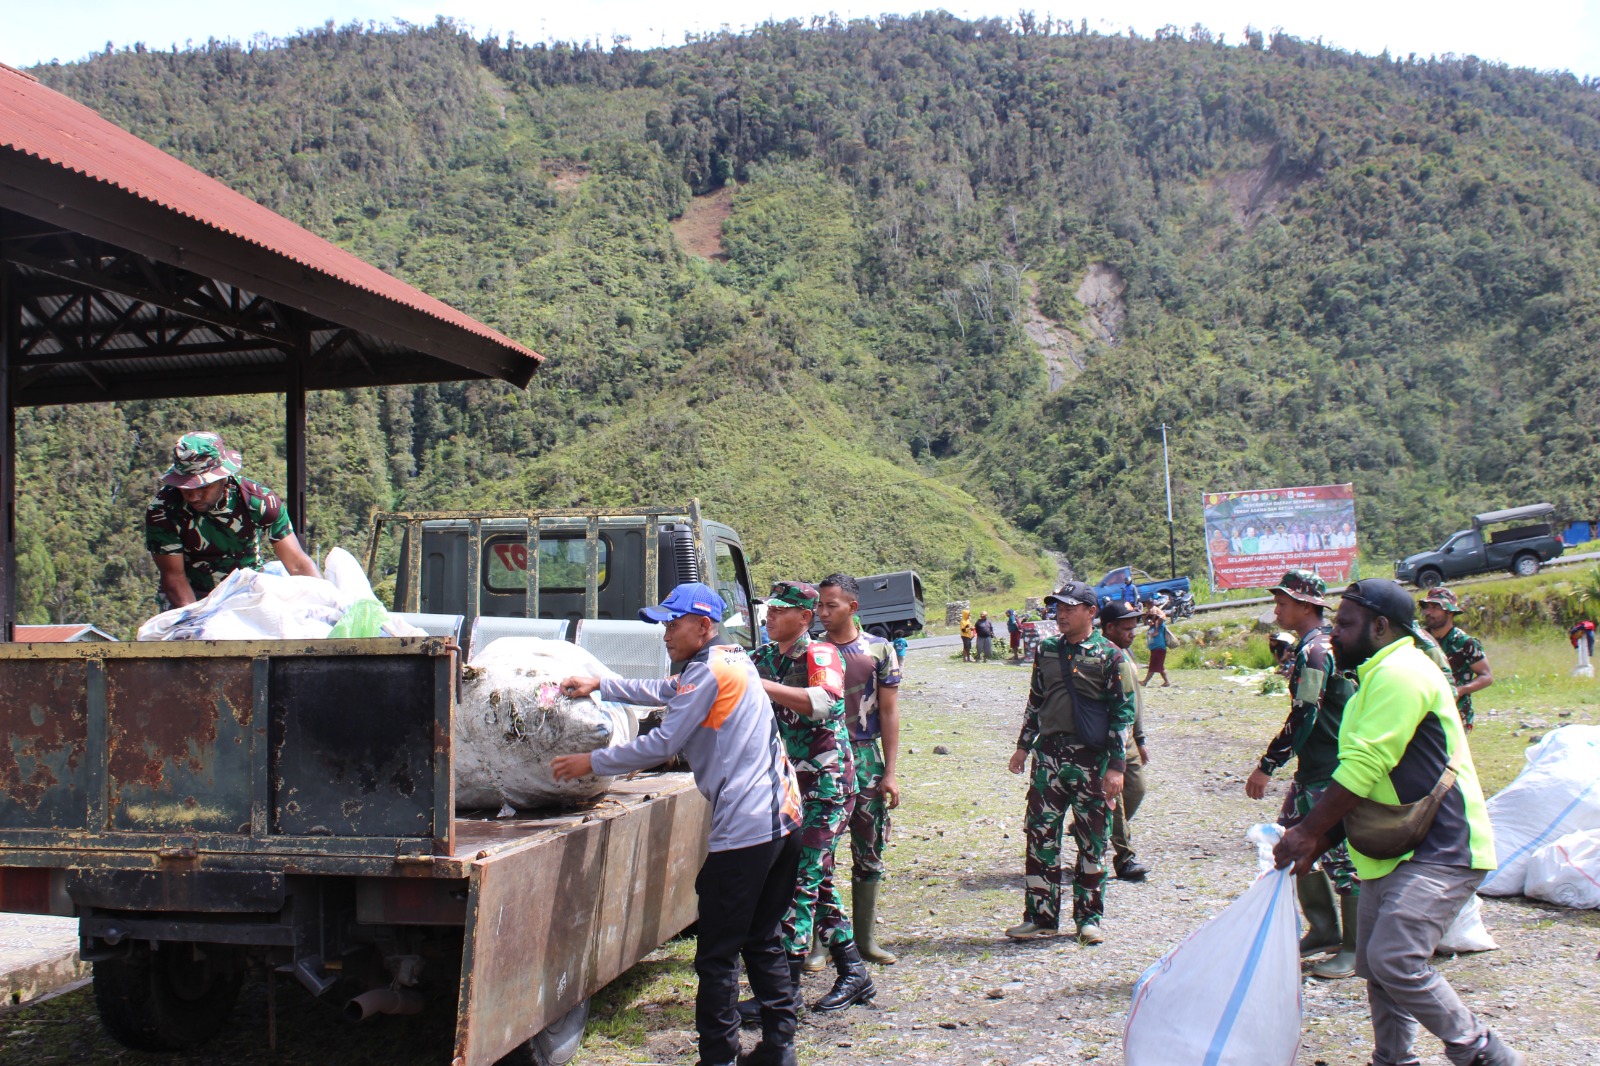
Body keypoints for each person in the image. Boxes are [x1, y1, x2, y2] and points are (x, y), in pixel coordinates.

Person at [551, 583, 803, 1066]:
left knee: (717, 954)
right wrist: (601, 684)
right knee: (762, 935)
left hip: (746, 829)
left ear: (703, 626)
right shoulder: (731, 659)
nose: (665, 634)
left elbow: (662, 744)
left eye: (673, 624)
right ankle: (779, 1048)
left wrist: (592, 761)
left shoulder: (706, 670)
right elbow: (667, 690)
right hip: (784, 819)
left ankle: (718, 1057)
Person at [1274, 579, 1519, 1066]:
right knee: (1377, 967)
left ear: (1381, 626)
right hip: (1393, 845)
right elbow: (1367, 780)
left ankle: (1482, 1052)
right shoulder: (1372, 678)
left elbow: (1365, 767)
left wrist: (1308, 830)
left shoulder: (1402, 673)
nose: (1334, 633)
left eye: (1345, 624)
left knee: (1395, 959)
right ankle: (1393, 1058)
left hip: (1442, 846)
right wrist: (1319, 841)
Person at [741, 581, 872, 1018]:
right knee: (818, 879)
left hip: (827, 787)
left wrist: (760, 686)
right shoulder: (764, 657)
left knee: (800, 880)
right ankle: (854, 972)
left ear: (804, 617)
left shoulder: (820, 654)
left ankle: (783, 992)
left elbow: (825, 703)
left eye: (780, 610)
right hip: (792, 788)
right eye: (769, 609)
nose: (770, 616)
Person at [1244, 569, 1361, 980]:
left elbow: (1305, 713)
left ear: (1307, 606)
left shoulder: (1316, 651)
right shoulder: (1316, 646)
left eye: (1283, 603)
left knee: (1342, 859)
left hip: (1330, 770)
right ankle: (1324, 929)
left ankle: (1355, 948)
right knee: (1292, 843)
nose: (1276, 611)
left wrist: (1267, 764)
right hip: (1312, 769)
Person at [1005, 580, 1134, 944]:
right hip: (1049, 757)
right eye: (1058, 608)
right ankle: (1040, 916)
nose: (1061, 614)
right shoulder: (1047, 650)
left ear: (1091, 612)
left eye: (1069, 608)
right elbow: (1036, 699)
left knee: (1093, 839)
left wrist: (1117, 767)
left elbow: (1122, 713)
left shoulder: (1111, 656)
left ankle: (1088, 919)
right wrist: (1023, 746)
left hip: (1093, 761)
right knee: (1040, 835)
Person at [816, 574, 902, 966]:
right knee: (818, 851)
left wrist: (890, 772)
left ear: (852, 607)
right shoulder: (812, 651)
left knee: (869, 848)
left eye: (831, 605)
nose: (822, 612)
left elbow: (889, 711)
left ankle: (866, 940)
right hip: (822, 758)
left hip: (866, 757)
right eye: (819, 605)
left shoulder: (879, 650)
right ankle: (821, 942)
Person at [144, 431, 319, 608]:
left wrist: (326, 603)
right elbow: (174, 577)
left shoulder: (258, 502)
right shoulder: (163, 510)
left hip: (246, 590)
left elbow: (297, 563)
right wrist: (197, 619)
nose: (194, 496)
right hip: (191, 595)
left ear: (223, 477)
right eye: (186, 487)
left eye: (203, 487)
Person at [1099, 599, 1151, 882]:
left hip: (1128, 738)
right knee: (1114, 797)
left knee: (1137, 789)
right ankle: (1125, 857)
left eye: (1134, 628)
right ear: (1109, 627)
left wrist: (1140, 738)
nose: (1132, 633)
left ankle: (1096, 826)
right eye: (1126, 628)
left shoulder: (1125, 654)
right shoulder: (1100, 654)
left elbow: (1135, 701)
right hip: (1108, 739)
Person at [1420, 589, 1492, 732]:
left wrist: (1460, 690)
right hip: (1425, 711)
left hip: (1456, 713)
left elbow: (1486, 676)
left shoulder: (1465, 643)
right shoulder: (1420, 639)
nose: (1428, 612)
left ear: (1449, 612)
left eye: (1435, 607)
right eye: (1427, 607)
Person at [1141, 607, 1171, 687]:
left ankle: (1145, 682)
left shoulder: (1159, 625)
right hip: (1154, 649)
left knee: (1153, 666)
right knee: (1159, 666)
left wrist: (1155, 615)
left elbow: (1161, 617)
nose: (1149, 620)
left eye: (1150, 619)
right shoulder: (1152, 627)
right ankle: (1167, 682)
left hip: (1159, 648)